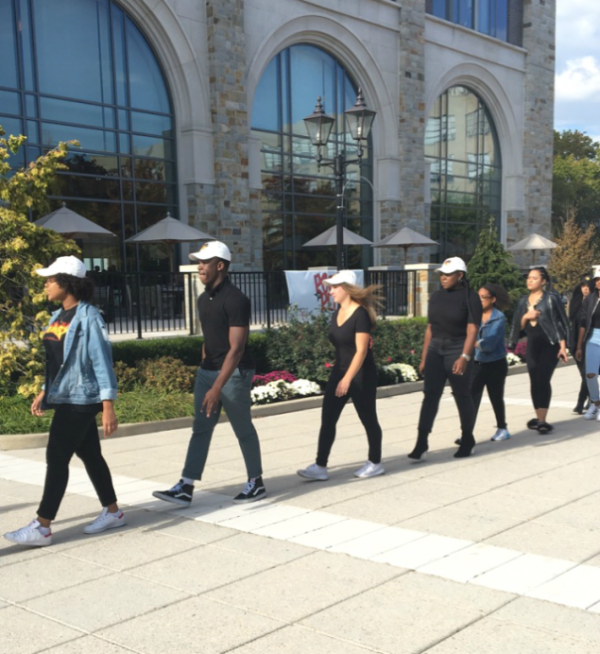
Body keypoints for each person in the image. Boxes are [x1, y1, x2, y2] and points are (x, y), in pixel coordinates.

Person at [4, 256, 124, 547]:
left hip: (81, 399)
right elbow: (59, 363)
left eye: (51, 279)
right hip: (66, 395)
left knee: (56, 457)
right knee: (90, 456)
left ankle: (42, 526)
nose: (45, 284)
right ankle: (113, 512)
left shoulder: (89, 316)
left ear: (67, 283)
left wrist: (108, 404)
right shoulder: (57, 316)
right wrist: (46, 389)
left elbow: (101, 360)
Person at [153, 241, 266, 506]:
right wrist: (205, 371)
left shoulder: (237, 300)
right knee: (200, 428)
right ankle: (186, 486)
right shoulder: (203, 299)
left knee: (242, 428)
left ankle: (256, 481)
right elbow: (210, 339)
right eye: (198, 262)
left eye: (205, 262)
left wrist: (217, 387)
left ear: (220, 265)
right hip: (208, 372)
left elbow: (236, 349)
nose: (199, 266)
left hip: (234, 373)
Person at [297, 271, 384, 481]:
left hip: (360, 374)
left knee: (368, 419)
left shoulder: (360, 314)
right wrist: (341, 376)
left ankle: (375, 462)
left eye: (335, 287)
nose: (331, 291)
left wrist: (347, 379)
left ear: (346, 288)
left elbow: (361, 351)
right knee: (328, 418)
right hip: (340, 372)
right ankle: (320, 466)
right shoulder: (337, 312)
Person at [408, 257, 482, 461]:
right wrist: (424, 358)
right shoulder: (437, 296)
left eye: (448, 274)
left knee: (462, 395)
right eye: (441, 274)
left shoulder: (470, 297)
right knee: (430, 395)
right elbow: (430, 328)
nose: (443, 278)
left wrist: (464, 356)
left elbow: (472, 329)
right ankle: (421, 442)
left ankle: (467, 438)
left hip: (458, 348)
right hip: (435, 349)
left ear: (460, 276)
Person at [508, 266, 569, 434]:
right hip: (533, 344)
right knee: (534, 379)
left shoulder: (551, 299)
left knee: (543, 379)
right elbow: (518, 328)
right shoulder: (523, 301)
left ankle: (542, 420)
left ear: (543, 281)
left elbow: (560, 323)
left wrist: (563, 347)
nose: (530, 280)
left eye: (534, 278)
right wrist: (526, 317)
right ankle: (539, 416)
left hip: (551, 345)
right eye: (528, 277)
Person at [471, 284, 511, 441]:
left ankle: (502, 428)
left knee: (496, 397)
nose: (479, 300)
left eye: (483, 297)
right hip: (476, 363)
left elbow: (489, 344)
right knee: (472, 398)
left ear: (493, 299)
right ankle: (467, 433)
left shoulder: (499, 317)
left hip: (495, 364)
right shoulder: (473, 316)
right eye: (477, 297)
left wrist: (470, 341)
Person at [575, 266, 600, 420]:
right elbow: (583, 323)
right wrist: (579, 346)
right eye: (596, 280)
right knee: (590, 374)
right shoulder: (590, 300)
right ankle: (596, 404)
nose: (598, 283)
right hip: (593, 337)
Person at [569, 275, 591, 414]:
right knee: (585, 375)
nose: (585, 289)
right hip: (576, 344)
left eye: (588, 286)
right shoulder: (577, 302)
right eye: (583, 286)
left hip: (591, 344)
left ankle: (580, 402)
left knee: (587, 374)